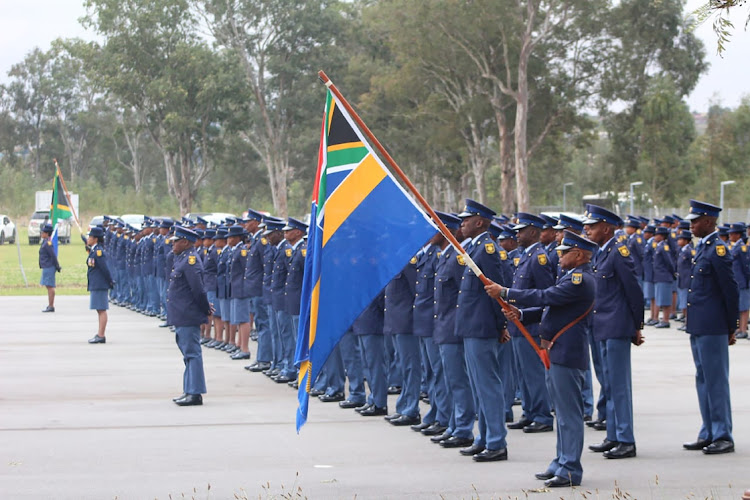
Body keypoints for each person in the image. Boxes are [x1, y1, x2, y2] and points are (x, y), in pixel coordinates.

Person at [485, 230, 597, 488]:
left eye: (563, 252)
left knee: (569, 414)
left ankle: (570, 468)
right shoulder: (570, 276)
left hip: (567, 351)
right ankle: (561, 461)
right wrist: (521, 314)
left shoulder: (580, 279)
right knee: (563, 413)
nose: (558, 256)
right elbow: (549, 308)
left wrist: (506, 292)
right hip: (557, 350)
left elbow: (546, 296)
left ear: (578, 254)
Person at [583, 204, 644, 460]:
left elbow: (633, 289)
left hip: (617, 326)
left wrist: (637, 326)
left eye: (592, 226)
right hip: (602, 326)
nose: (587, 230)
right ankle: (613, 435)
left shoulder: (618, 251)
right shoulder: (600, 252)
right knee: (608, 383)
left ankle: (626, 439)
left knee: (619, 385)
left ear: (606, 228)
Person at [455, 199, 510, 463]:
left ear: (480, 222)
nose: (462, 223)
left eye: (466, 219)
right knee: (479, 386)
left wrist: (502, 326)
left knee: (488, 385)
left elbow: (496, 291)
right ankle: (484, 438)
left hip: (482, 326)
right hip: (471, 325)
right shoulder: (475, 248)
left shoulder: (486, 249)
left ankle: (497, 441)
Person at [683, 200, 739, 454]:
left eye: (695, 221)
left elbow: (730, 290)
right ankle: (708, 431)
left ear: (708, 222)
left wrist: (731, 326)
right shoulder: (704, 248)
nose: (691, 225)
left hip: (714, 325)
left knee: (716, 380)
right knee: (703, 379)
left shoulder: (718, 250)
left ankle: (723, 434)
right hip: (699, 325)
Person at [167, 225, 212, 406]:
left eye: (176, 242)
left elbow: (198, 290)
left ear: (185, 242)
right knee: (188, 353)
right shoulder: (182, 259)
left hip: (188, 313)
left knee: (192, 353)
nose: (173, 245)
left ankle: (195, 393)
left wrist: (205, 309)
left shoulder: (191, 260)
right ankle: (189, 389)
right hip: (182, 313)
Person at [86, 226, 114, 344]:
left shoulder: (98, 252)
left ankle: (101, 335)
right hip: (96, 283)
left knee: (102, 310)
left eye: (90, 237)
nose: (88, 239)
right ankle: (100, 333)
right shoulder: (94, 250)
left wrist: (110, 281)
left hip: (100, 284)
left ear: (95, 239)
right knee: (99, 309)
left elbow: (105, 268)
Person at [727, 223, 750, 339]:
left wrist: (746, 281)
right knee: (738, 306)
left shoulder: (742, 247)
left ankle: (743, 329)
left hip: (742, 281)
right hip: (735, 281)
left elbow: (745, 266)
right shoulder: (734, 246)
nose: (730, 236)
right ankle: (738, 329)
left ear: (738, 235)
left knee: (744, 307)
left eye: (732, 234)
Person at [39, 223, 61, 313]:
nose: (41, 233)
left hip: (49, 266)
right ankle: (50, 305)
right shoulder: (45, 242)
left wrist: (57, 266)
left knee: (50, 286)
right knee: (48, 286)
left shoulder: (48, 243)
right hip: (46, 266)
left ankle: (51, 305)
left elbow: (53, 255)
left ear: (47, 233)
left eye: (43, 232)